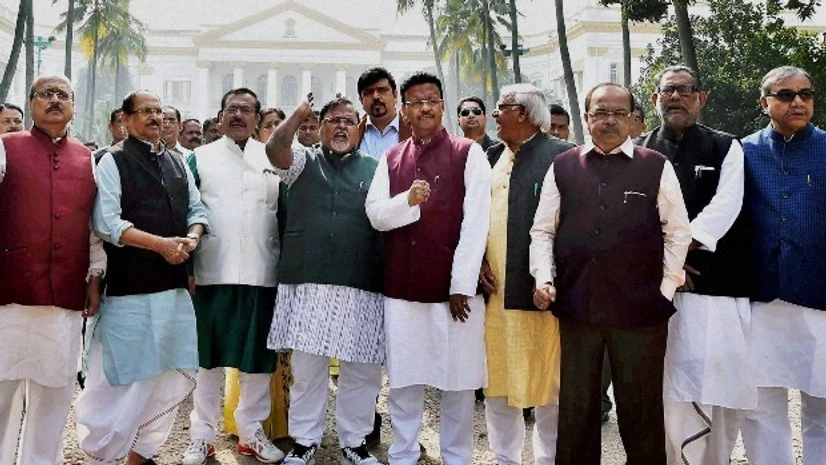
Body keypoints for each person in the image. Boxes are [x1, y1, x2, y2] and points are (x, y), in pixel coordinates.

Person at [530, 82, 691, 465]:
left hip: (641, 311)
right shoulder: (564, 165)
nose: (609, 120)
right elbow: (543, 230)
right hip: (578, 306)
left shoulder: (655, 166)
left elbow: (678, 231)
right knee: (577, 408)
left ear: (634, 120)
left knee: (641, 410)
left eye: (619, 113)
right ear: (586, 118)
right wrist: (544, 279)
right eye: (600, 112)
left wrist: (665, 289)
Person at [75, 89, 208, 465]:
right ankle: (105, 455)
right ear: (126, 119)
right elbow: (107, 222)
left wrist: (190, 240)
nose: (155, 118)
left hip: (172, 290)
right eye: (146, 112)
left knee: (164, 376)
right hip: (128, 292)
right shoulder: (112, 161)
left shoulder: (179, 163)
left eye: (159, 112)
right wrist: (161, 246)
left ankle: (141, 454)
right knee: (120, 379)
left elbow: (198, 210)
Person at [366, 72, 492, 465]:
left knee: (458, 382)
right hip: (403, 288)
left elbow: (476, 223)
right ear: (405, 109)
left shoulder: (467, 152)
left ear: (442, 105)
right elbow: (375, 215)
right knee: (405, 381)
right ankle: (403, 454)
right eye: (416, 101)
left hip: (455, 293)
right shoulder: (391, 158)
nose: (425, 107)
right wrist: (408, 200)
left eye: (432, 100)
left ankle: (456, 457)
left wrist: (462, 284)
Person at [635, 65, 754, 465]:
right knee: (667, 386)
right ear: (654, 99)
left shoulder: (726, 147)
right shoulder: (639, 152)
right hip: (659, 290)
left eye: (685, 90)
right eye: (667, 90)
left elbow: (726, 205)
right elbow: (633, 218)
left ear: (700, 98)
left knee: (718, 386)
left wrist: (679, 253)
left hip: (715, 288)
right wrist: (669, 264)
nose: (676, 97)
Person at [266, 93, 385, 465]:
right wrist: (299, 111)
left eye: (349, 120)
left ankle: (355, 442)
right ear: (319, 127)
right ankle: (305, 442)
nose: (341, 126)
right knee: (308, 368)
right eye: (333, 120)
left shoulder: (379, 168)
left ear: (360, 127)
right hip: (309, 280)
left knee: (362, 370)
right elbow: (274, 149)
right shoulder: (302, 161)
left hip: (362, 281)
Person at [0, 74, 104, 465]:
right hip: (8, 293)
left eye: (63, 95)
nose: (55, 100)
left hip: (64, 294)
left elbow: (94, 226)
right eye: (46, 94)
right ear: (31, 103)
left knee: (56, 390)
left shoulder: (87, 158)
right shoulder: (5, 147)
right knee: (2, 389)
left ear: (74, 106)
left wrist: (95, 276)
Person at [182, 88, 284, 465]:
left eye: (247, 109)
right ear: (221, 116)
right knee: (207, 360)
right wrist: (188, 268)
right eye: (232, 109)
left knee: (256, 359)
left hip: (263, 271)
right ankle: (201, 435)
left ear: (258, 118)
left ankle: (251, 432)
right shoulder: (199, 158)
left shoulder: (274, 158)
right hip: (212, 271)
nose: (239, 115)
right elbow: (187, 213)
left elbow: (285, 216)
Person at [481, 83, 573, 465]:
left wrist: (554, 278)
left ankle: (549, 459)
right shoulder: (489, 157)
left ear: (522, 112)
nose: (493, 116)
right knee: (497, 384)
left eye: (500, 108)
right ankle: (506, 459)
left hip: (545, 294)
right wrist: (476, 263)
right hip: (495, 294)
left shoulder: (565, 157)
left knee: (551, 386)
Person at [740, 65, 826, 465]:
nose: (798, 102)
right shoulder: (742, 151)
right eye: (786, 94)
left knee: (822, 404)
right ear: (764, 103)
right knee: (761, 405)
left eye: (805, 94)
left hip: (818, 293)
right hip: (762, 293)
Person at [357, 67, 411, 158]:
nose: (375, 96)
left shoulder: (414, 131)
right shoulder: (353, 134)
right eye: (369, 92)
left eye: (382, 90)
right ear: (361, 100)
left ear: (395, 95)